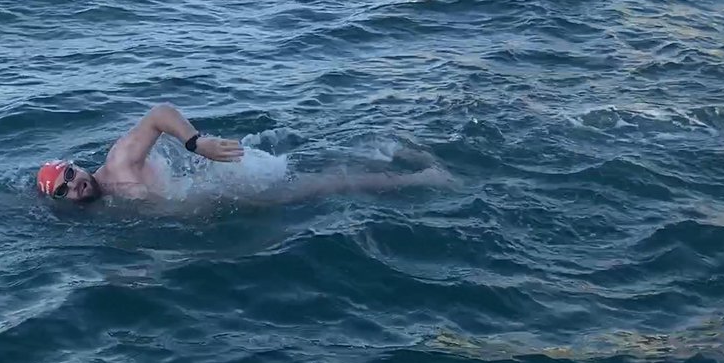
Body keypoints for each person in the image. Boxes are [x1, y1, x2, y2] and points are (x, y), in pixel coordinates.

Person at [36, 102, 452, 204]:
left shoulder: (118, 163)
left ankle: (420, 177)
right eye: (63, 190)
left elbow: (159, 114)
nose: (74, 186)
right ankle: (394, 157)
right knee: (317, 183)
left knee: (321, 187)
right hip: (217, 197)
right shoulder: (102, 209)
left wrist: (196, 143)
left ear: (77, 164)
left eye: (70, 174)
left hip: (227, 177)